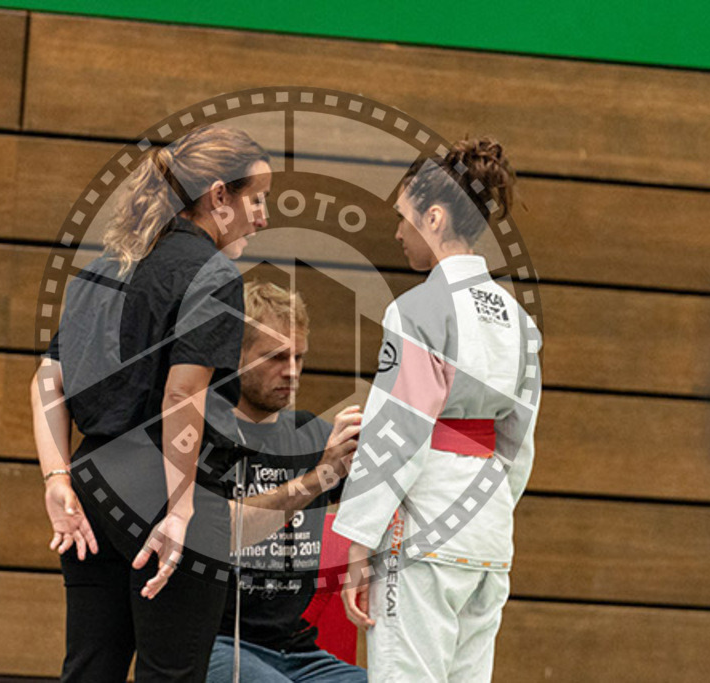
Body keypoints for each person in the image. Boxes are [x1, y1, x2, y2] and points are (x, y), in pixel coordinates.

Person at [30, 125, 272, 683]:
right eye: (255, 200)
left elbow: (48, 379)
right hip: (167, 486)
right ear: (218, 196)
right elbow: (182, 394)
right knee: (172, 674)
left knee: (89, 668)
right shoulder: (212, 274)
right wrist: (182, 509)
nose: (262, 218)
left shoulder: (102, 268)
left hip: (91, 479)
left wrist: (56, 477)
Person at [333, 138, 542, 682]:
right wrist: (490, 506)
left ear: (434, 215)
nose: (399, 232)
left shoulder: (419, 310)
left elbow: (397, 433)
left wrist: (356, 541)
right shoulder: (519, 321)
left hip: (422, 530)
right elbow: (519, 441)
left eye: (404, 218)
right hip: (488, 529)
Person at [204, 280, 367, 683]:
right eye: (276, 357)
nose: (291, 371)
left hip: (296, 650)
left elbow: (384, 497)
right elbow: (221, 529)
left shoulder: (313, 434)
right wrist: (321, 476)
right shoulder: (202, 436)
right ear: (234, 357)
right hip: (216, 644)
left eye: (299, 357)